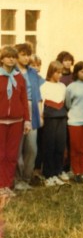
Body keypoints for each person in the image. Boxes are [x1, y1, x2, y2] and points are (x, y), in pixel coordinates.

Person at [0, 46, 30, 194]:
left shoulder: (19, 77)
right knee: (1, 155)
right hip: (0, 122)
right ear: (2, 59)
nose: (11, 59)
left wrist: (27, 120)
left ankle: (7, 185)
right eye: (8, 56)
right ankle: (0, 186)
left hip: (16, 122)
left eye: (13, 57)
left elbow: (24, 100)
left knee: (12, 155)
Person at [14, 43, 41, 191]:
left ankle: (26, 178)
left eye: (28, 54)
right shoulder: (12, 72)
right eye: (23, 54)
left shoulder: (33, 72)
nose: (26, 57)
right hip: (18, 110)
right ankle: (17, 180)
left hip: (33, 110)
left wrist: (40, 114)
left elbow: (38, 94)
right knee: (18, 147)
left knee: (32, 147)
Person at [41, 61, 68, 186]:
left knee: (60, 146)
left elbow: (64, 101)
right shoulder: (44, 85)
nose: (60, 75)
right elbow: (41, 104)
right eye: (57, 72)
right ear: (51, 72)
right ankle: (48, 175)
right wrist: (41, 117)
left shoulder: (62, 86)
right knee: (49, 146)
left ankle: (57, 172)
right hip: (50, 118)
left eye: (61, 72)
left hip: (61, 117)